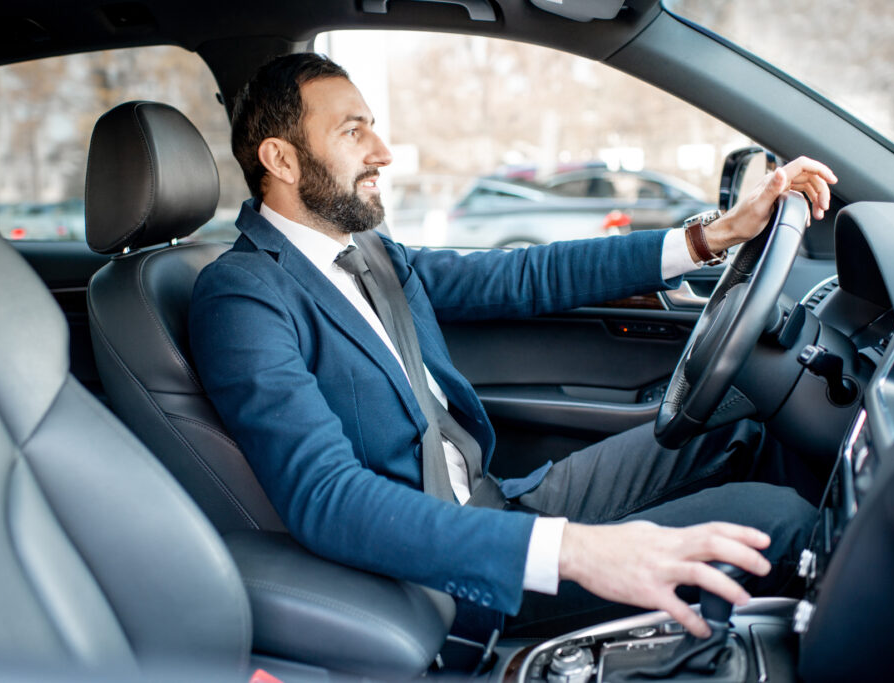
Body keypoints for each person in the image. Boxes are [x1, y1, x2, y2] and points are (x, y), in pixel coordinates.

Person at [189, 53, 837, 639]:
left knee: (738, 424)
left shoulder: (369, 254)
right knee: (774, 521)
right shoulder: (242, 296)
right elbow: (327, 496)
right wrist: (575, 550)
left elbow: (525, 276)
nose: (383, 152)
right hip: (449, 573)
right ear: (280, 158)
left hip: (501, 501)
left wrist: (710, 237)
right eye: (353, 131)